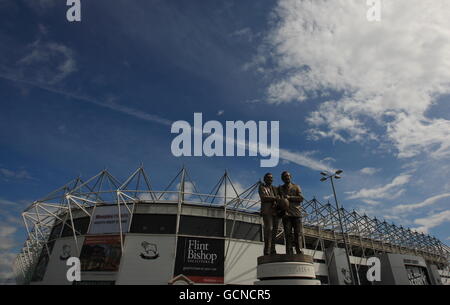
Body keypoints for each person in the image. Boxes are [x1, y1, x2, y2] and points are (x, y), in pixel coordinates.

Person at [278, 171, 304, 255]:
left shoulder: (296, 187)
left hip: (296, 213)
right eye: (284, 176)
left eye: (288, 176)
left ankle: (299, 250)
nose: (286, 177)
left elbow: (301, 198)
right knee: (287, 234)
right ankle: (289, 251)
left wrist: (290, 197)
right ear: (282, 179)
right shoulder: (280, 188)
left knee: (298, 233)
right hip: (286, 214)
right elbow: (278, 200)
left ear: (290, 177)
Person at [258, 173, 280, 255]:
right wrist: (275, 198)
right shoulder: (262, 187)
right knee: (269, 229)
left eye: (271, 178)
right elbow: (263, 198)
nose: (270, 179)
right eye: (268, 178)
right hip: (267, 211)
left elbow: (279, 198)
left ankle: (273, 250)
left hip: (275, 212)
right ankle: (267, 250)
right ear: (265, 179)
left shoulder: (275, 188)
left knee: (275, 231)